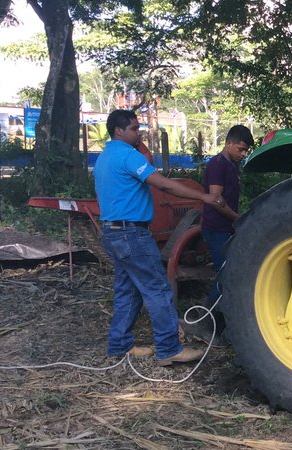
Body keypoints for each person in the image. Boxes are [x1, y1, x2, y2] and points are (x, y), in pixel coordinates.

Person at [95, 109, 224, 366]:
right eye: (134, 128)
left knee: (127, 290)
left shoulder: (106, 156)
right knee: (158, 289)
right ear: (119, 131)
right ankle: (169, 349)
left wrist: (139, 145)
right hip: (132, 233)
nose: (139, 132)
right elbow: (162, 184)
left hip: (113, 232)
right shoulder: (127, 155)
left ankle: (119, 345)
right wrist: (203, 197)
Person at [187, 124, 252, 346]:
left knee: (229, 272)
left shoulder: (231, 165)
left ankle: (218, 322)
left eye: (246, 151)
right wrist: (237, 218)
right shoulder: (217, 165)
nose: (243, 154)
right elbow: (215, 199)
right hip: (216, 228)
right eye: (241, 149)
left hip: (226, 227)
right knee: (225, 275)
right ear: (229, 143)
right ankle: (203, 323)